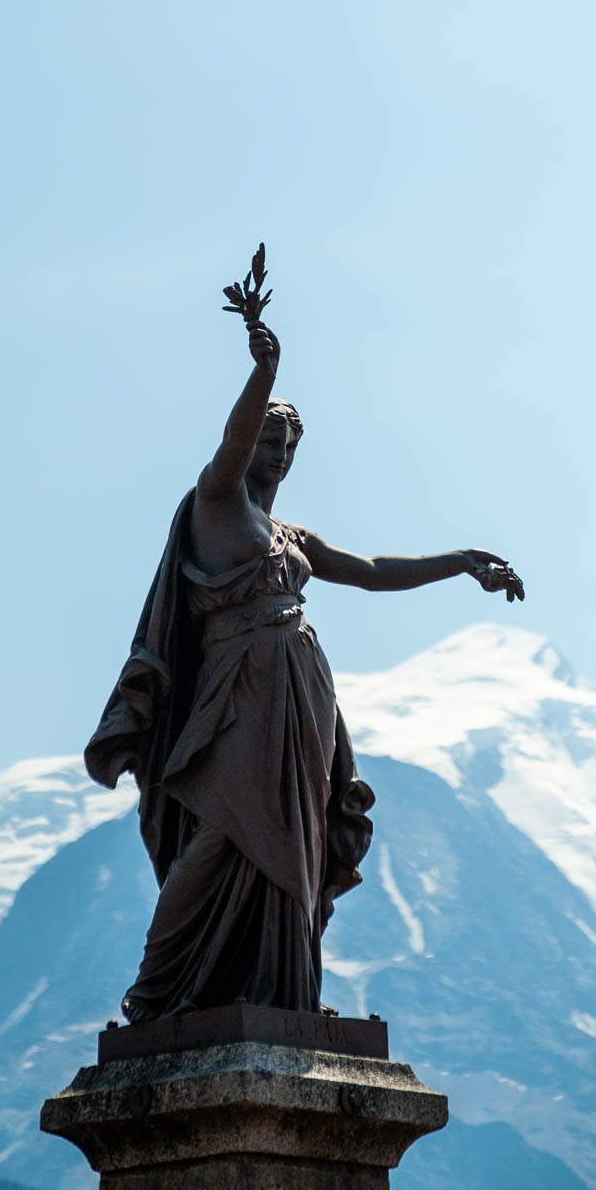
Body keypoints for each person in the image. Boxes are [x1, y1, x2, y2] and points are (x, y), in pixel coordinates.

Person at [85, 311, 522, 1021]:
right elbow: (229, 442)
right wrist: (265, 372)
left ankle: (276, 992)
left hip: (297, 697)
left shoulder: (292, 535)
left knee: (298, 833)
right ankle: (158, 987)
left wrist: (462, 562)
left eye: (290, 441)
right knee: (221, 827)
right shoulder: (216, 503)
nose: (279, 451)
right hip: (235, 694)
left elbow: (374, 570)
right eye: (269, 438)